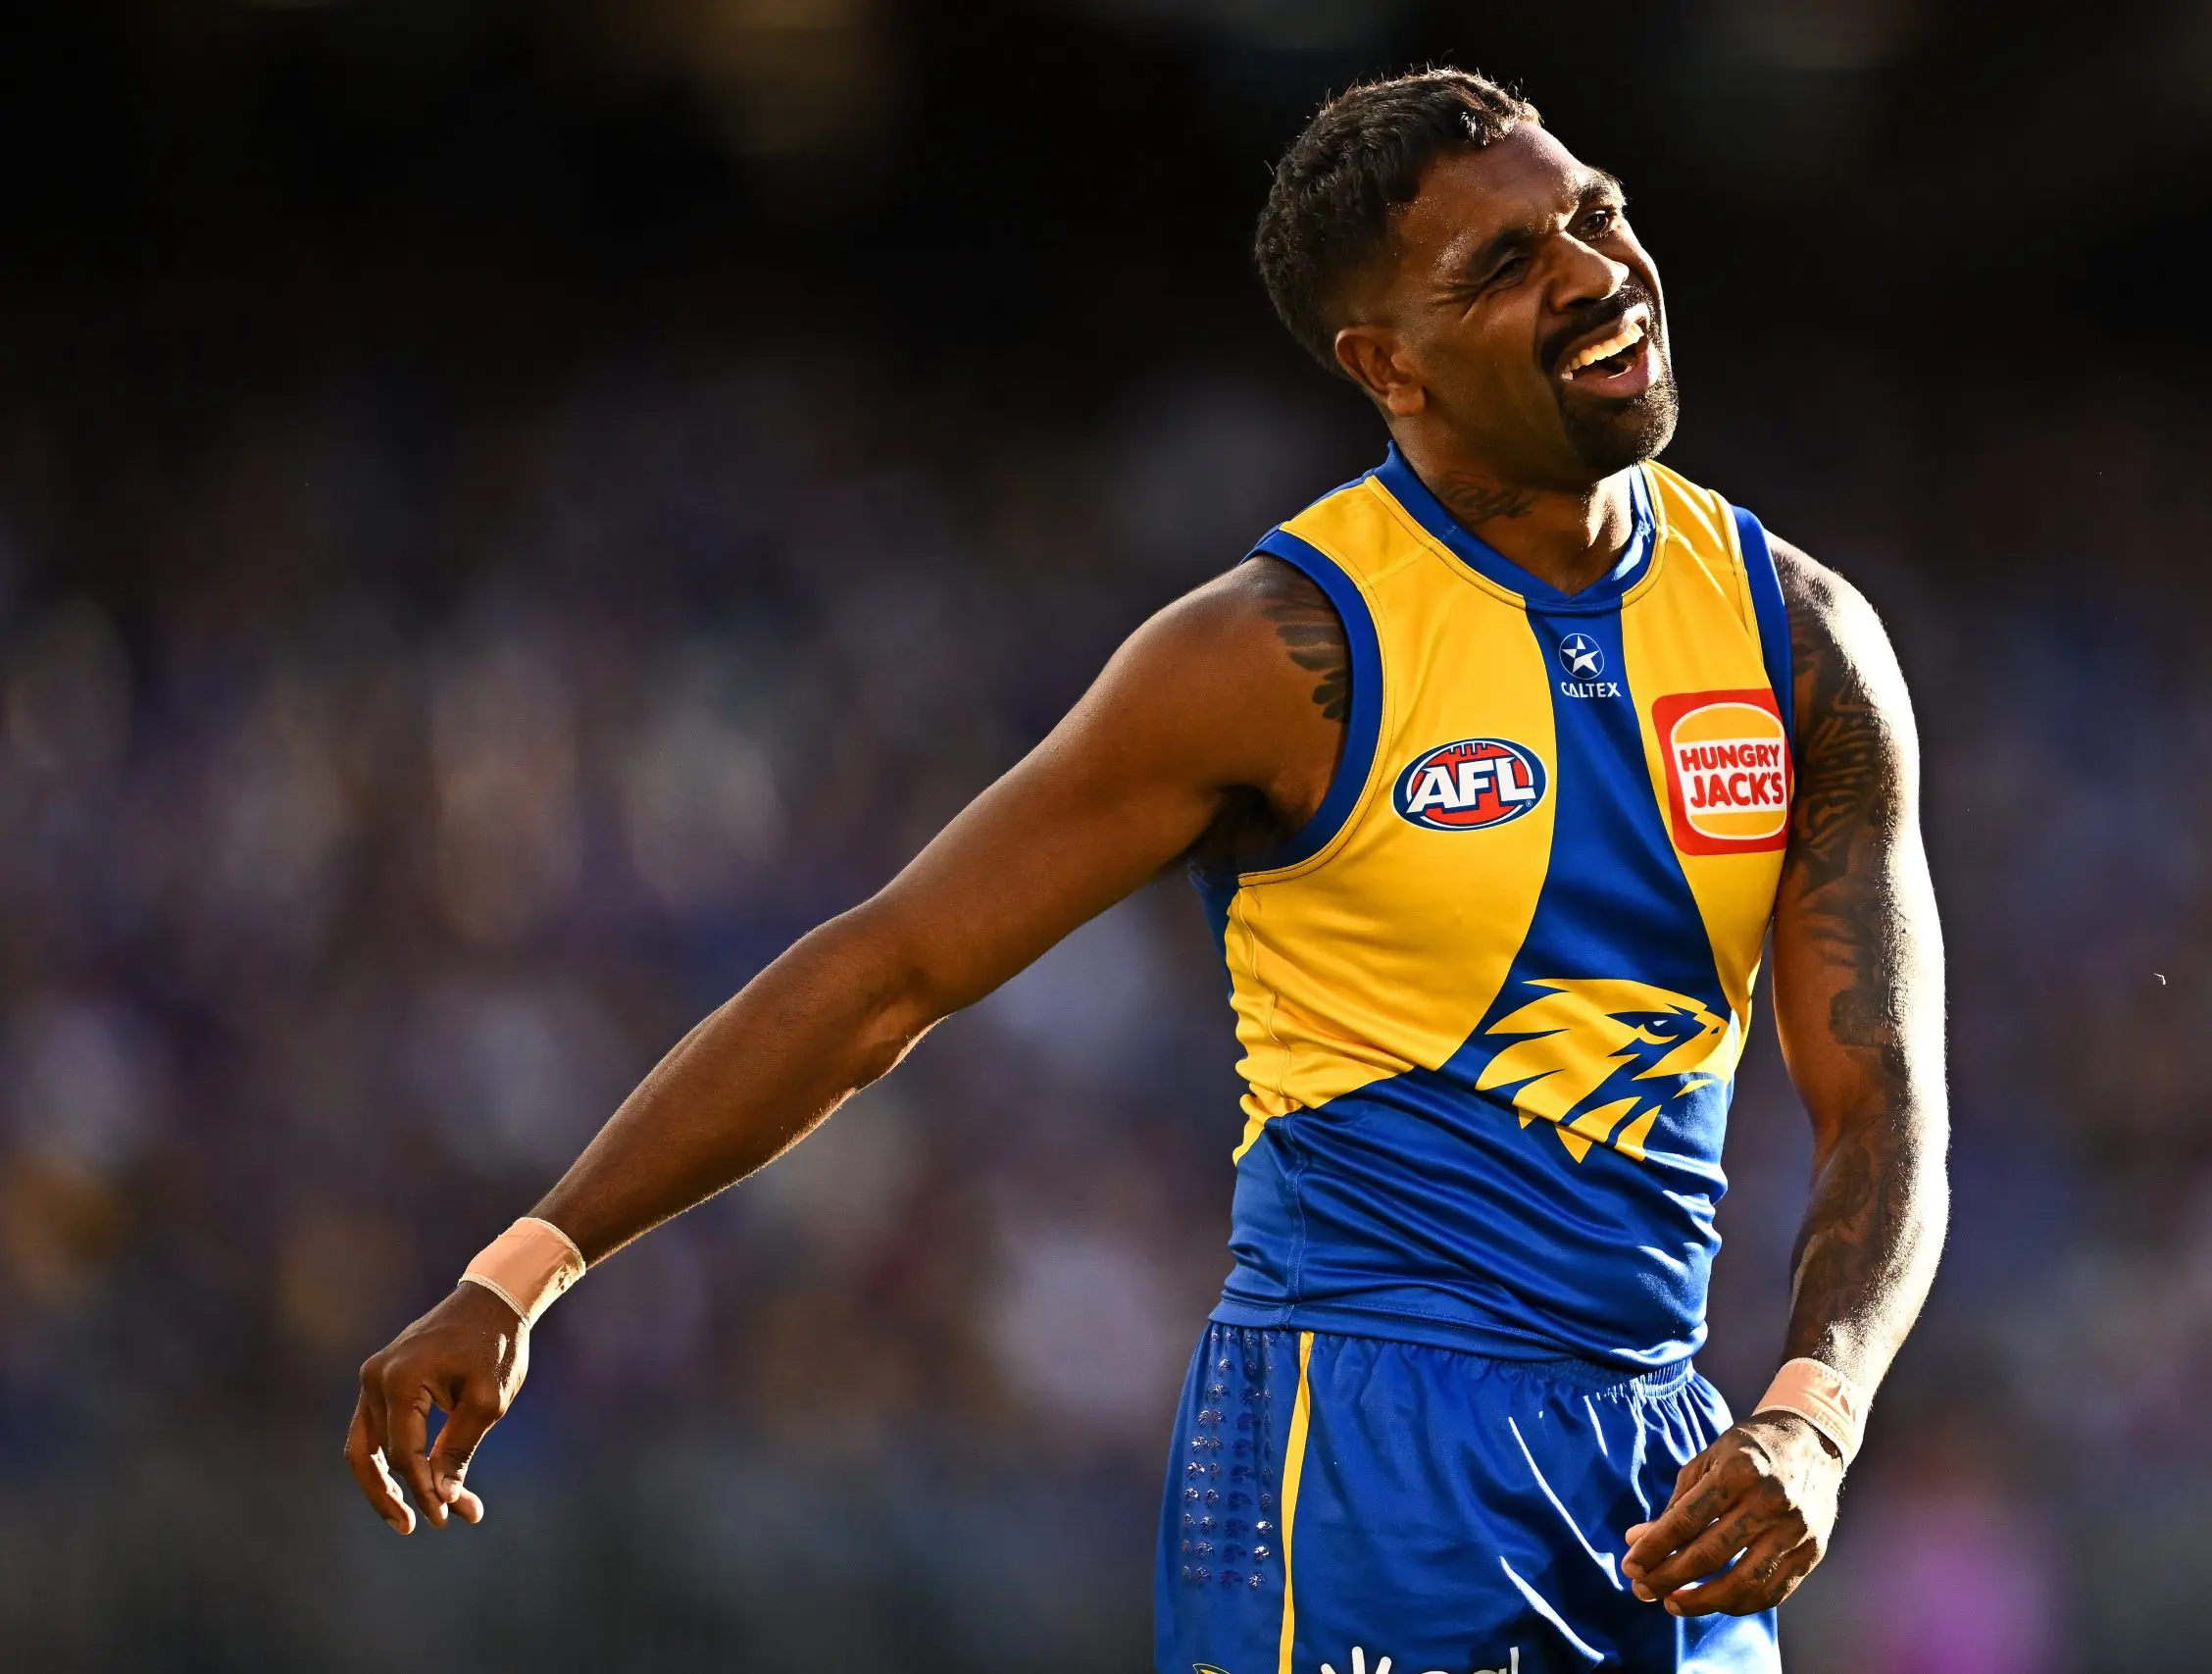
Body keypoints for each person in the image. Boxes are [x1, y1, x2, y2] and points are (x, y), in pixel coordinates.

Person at [346, 68, 1948, 1673]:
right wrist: (522, 1270)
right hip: (1354, 1455)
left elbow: (1882, 1102)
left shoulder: (1799, 642)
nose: (1595, 273)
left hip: (1673, 1471)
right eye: (1505, 266)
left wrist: (1813, 1410)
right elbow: (889, 971)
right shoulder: (1275, 652)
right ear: (1386, 366)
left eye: (1592, 213)